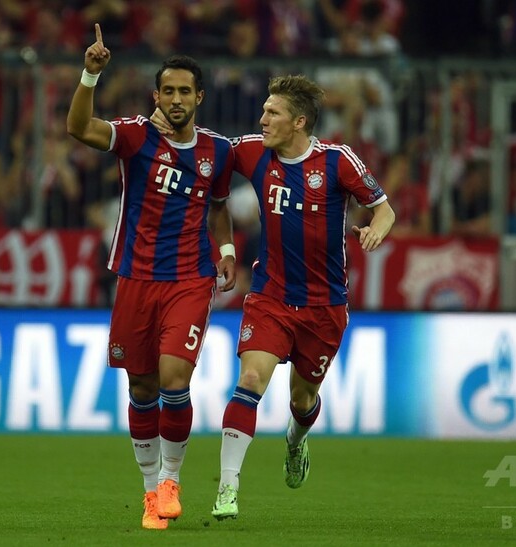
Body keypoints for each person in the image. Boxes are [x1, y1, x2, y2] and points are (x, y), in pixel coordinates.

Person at [152, 74, 395, 521]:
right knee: (250, 381)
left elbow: (384, 209)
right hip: (271, 297)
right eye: (263, 110)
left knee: (302, 400)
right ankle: (228, 488)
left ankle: (296, 441)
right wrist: (168, 121)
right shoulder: (253, 152)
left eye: (272, 112)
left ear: (298, 122)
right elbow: (206, 148)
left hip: (324, 306)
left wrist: (376, 230)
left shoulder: (337, 161)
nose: (262, 119)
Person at [66, 25, 237, 530]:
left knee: (174, 379)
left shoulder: (217, 151)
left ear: (199, 97)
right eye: (168, 90)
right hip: (136, 278)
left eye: (185, 90)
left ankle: (170, 480)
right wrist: (90, 75)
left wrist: (227, 250)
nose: (177, 98)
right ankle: (148, 492)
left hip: (190, 278)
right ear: (155, 95)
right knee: (141, 388)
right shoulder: (137, 136)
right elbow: (79, 128)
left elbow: (219, 206)